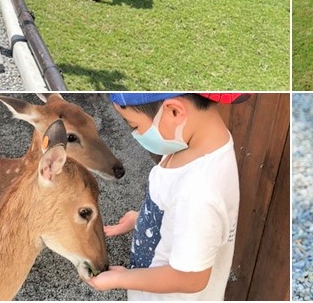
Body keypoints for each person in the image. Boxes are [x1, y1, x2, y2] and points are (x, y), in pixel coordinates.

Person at [86, 93, 244, 300]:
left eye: (134, 126)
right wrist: (143, 218)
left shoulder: (198, 194)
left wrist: (121, 279)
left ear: (174, 112)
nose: (135, 134)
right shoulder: (189, 141)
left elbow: (191, 279)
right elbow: (171, 203)